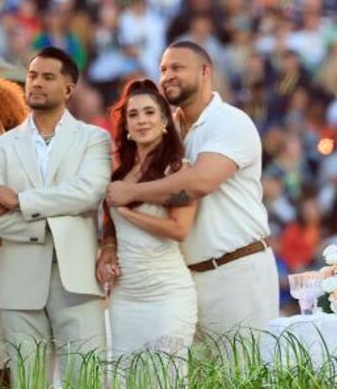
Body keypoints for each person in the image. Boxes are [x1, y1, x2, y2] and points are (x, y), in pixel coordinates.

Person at [106, 41, 278, 339]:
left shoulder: (230, 121)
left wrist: (130, 194)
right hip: (181, 279)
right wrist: (109, 245)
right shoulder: (165, 130)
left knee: (245, 366)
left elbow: (199, 183)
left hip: (236, 271)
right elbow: (118, 188)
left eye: (177, 67)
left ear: (205, 71)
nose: (168, 76)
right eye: (163, 69)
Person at [0, 48, 109, 389]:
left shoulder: (94, 139)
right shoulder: (0, 148)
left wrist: (19, 201)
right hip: (19, 281)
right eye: (32, 75)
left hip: (77, 279)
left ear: (69, 88)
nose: (35, 83)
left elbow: (88, 193)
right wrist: (48, 227)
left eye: (47, 77)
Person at [99, 79, 197, 389]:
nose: (141, 120)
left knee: (164, 388)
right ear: (126, 126)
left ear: (165, 120)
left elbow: (179, 229)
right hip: (125, 296)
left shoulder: (178, 169)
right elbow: (110, 223)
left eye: (149, 112)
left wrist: (128, 212)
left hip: (166, 293)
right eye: (133, 115)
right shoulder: (119, 173)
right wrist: (108, 249)